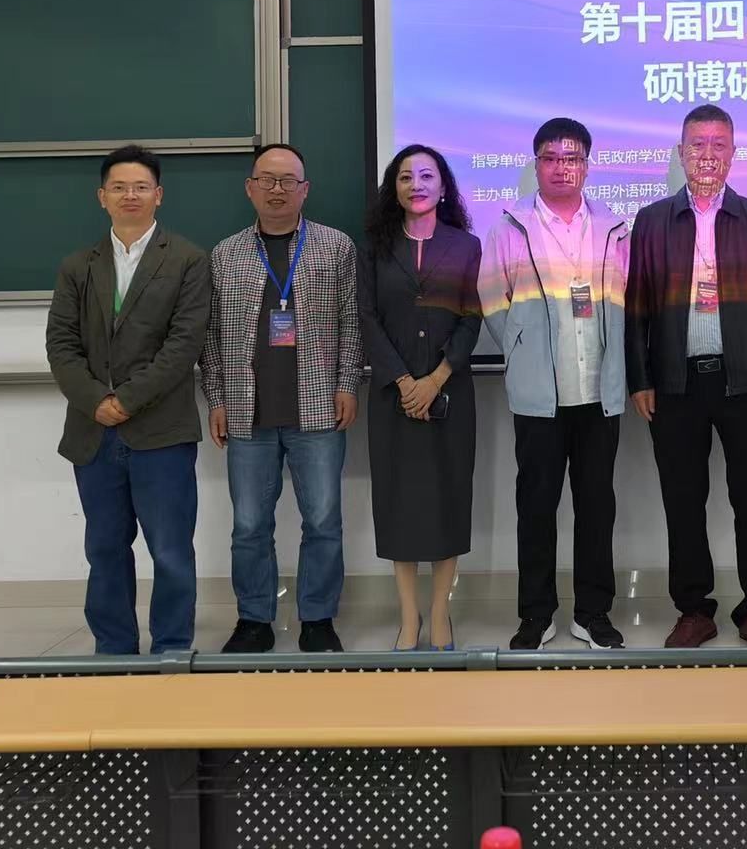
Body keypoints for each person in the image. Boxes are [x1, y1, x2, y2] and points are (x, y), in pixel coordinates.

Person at [625, 104, 747, 648]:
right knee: (683, 500)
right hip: (676, 384)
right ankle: (694, 609)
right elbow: (637, 306)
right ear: (680, 153)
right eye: (696, 144)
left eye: (718, 144)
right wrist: (641, 379)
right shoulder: (653, 221)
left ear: (733, 153)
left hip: (745, 383)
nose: (707, 154)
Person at [45, 145, 210, 654]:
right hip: (93, 433)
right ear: (102, 197)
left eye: (140, 187)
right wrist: (97, 401)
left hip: (162, 433)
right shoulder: (78, 266)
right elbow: (61, 345)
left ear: (158, 195)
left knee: (171, 550)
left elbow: (184, 345)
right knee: (104, 549)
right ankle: (113, 649)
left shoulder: (188, 260)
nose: (130, 195)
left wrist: (127, 400)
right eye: (119, 187)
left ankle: (172, 647)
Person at [202, 143, 362, 654]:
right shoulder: (225, 253)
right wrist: (217, 398)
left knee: (323, 521)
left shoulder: (336, 247)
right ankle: (254, 620)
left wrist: (347, 383)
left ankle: (318, 618)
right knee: (249, 525)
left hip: (317, 409)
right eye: (267, 180)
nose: (277, 189)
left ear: (304, 189)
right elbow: (211, 335)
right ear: (249, 188)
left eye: (288, 180)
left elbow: (351, 321)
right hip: (247, 411)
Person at [481, 118, 631, 652]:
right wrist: (522, 349)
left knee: (597, 507)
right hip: (539, 396)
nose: (561, 167)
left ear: (587, 165)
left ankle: (593, 614)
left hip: (598, 391)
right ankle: (536, 615)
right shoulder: (510, 228)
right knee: (537, 507)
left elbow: (627, 302)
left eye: (572, 158)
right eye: (550, 157)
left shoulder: (614, 228)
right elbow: (493, 302)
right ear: (536, 164)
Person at [358, 145, 482, 652]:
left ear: (443, 187)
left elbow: (472, 316)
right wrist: (405, 382)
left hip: (451, 393)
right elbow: (366, 318)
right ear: (395, 188)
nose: (417, 185)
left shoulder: (467, 246)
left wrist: (436, 378)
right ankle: (408, 618)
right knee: (399, 503)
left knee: (449, 500)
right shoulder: (374, 247)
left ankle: (439, 615)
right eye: (406, 177)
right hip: (393, 396)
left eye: (427, 176)